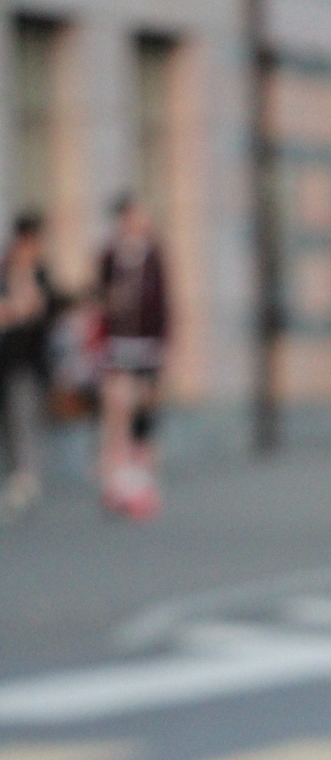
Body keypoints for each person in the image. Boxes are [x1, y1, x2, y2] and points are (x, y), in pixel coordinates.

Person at [97, 194, 168, 520]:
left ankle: (143, 482)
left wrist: (165, 341)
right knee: (118, 411)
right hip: (118, 343)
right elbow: (98, 297)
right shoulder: (110, 256)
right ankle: (117, 482)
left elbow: (163, 301)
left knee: (145, 413)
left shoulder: (153, 255)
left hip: (147, 344)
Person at [0, 213, 54, 523]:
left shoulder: (40, 273)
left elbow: (39, 309)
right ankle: (17, 474)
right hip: (6, 358)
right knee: (10, 419)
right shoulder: (5, 270)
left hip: (30, 360)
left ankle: (26, 476)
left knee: (25, 414)